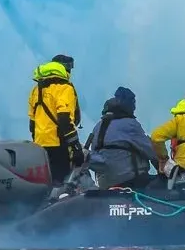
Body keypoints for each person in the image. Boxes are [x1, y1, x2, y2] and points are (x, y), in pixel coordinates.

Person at [83, 87, 162, 189]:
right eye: (133, 103)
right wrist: (164, 168)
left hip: (105, 184)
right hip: (131, 181)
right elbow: (150, 150)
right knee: (161, 185)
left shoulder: (98, 126)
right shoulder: (130, 124)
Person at [28, 55, 83, 183]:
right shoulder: (65, 88)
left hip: (40, 145)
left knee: (47, 183)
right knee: (62, 183)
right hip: (59, 145)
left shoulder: (36, 90)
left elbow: (32, 124)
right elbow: (64, 119)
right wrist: (75, 147)